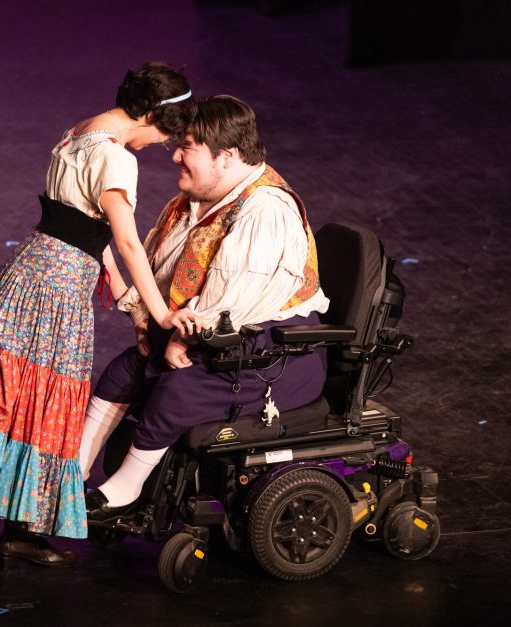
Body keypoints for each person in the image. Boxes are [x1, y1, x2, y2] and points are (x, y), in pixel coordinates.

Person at [0, 62, 197, 568]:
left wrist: (125, 299)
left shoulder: (78, 133)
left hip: (30, 266)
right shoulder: (117, 159)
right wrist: (160, 315)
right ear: (150, 115)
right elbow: (127, 243)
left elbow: (86, 229)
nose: (160, 145)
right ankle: (24, 530)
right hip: (60, 288)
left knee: (17, 387)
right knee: (49, 406)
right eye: (164, 135)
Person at [78, 95, 330, 520]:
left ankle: (126, 490)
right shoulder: (195, 199)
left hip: (273, 350)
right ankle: (69, 472)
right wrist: (144, 314)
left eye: (187, 147)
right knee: (124, 372)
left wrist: (183, 338)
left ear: (226, 156)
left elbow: (234, 297)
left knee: (178, 391)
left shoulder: (265, 210)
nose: (175, 156)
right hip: (211, 333)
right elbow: (159, 271)